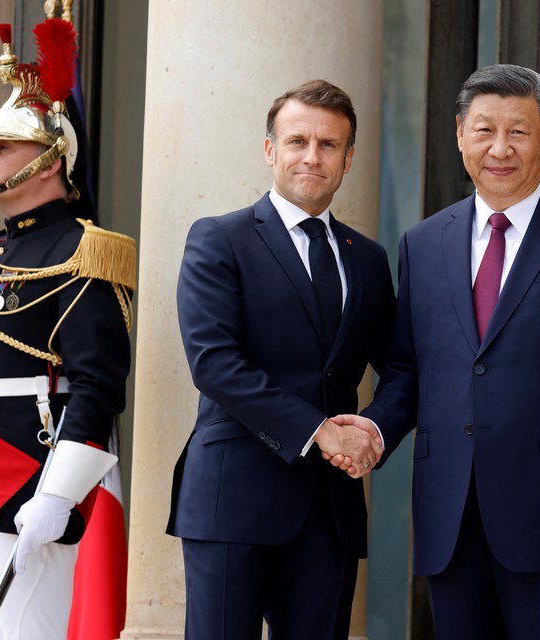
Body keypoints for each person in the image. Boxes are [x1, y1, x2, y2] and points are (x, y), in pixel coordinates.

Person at [331, 64, 540, 638]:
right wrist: (376, 431)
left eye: (520, 131)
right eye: (484, 130)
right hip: (451, 517)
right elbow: (410, 369)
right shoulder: (423, 243)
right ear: (460, 134)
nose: (500, 148)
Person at [167, 79, 396, 639]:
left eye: (329, 145)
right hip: (232, 502)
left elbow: (403, 367)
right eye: (297, 141)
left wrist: (374, 429)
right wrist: (319, 431)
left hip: (330, 512)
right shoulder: (219, 239)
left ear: (349, 159)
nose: (312, 157)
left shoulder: (367, 259)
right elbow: (215, 363)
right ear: (270, 149)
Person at [0, 20, 134, 639]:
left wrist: (57, 494)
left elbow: (97, 387)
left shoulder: (87, 252)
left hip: (25, 475)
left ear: (52, 161)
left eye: (3, 146)